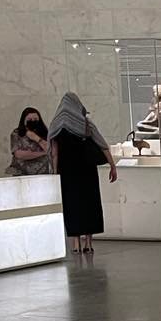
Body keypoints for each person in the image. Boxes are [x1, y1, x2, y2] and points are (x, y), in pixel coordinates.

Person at [48, 91, 117, 255]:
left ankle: (76, 243)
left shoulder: (56, 125)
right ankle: (89, 242)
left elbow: (54, 153)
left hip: (67, 172)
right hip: (87, 170)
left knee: (72, 205)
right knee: (89, 203)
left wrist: (55, 173)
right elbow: (102, 144)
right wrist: (112, 165)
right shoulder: (85, 123)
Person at [6, 107, 51, 176]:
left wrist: (37, 139)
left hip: (42, 173)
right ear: (24, 121)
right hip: (21, 173)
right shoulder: (17, 133)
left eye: (35, 119)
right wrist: (42, 153)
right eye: (29, 120)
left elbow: (49, 149)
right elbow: (19, 155)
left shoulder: (45, 133)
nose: (33, 121)